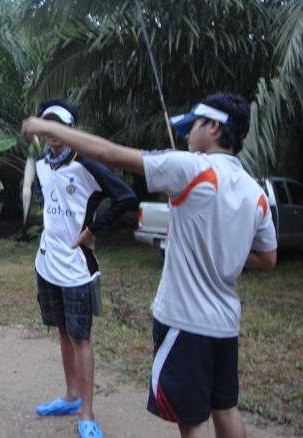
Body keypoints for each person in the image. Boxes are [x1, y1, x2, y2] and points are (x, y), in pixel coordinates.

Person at [22, 92, 277, 438]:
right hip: (226, 324)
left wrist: (42, 126)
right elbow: (268, 258)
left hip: (185, 322)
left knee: (193, 421)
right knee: (226, 409)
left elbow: (111, 154)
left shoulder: (192, 168)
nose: (187, 134)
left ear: (215, 127)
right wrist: (220, 247)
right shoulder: (254, 191)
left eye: (194, 125)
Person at [31, 98, 137, 438]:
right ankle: (71, 395)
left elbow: (125, 196)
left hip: (77, 265)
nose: (53, 133)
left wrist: (92, 230)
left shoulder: (87, 163)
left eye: (59, 126)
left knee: (81, 337)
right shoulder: (41, 164)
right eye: (47, 125)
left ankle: (87, 413)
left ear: (71, 130)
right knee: (62, 329)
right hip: (47, 262)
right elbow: (47, 201)